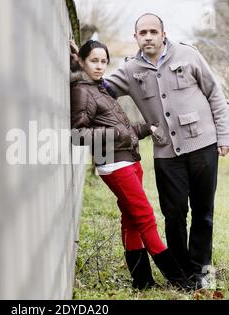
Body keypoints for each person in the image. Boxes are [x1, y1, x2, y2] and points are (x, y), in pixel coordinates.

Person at [101, 13, 229, 288]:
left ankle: (199, 270)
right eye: (142, 32)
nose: (148, 36)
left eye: (153, 31)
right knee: (173, 214)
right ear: (135, 38)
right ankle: (182, 271)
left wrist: (225, 135)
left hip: (203, 146)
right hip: (165, 153)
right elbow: (98, 89)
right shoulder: (129, 70)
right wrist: (78, 62)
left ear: (163, 34)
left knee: (203, 212)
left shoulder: (188, 54)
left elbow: (214, 94)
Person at [70, 39, 195, 290]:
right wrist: (118, 136)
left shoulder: (99, 88)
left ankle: (143, 282)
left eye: (103, 61)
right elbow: (77, 134)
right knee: (146, 218)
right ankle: (179, 280)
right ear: (82, 62)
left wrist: (145, 128)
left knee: (131, 220)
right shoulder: (83, 91)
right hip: (115, 166)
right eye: (93, 61)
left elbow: (118, 127)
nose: (99, 66)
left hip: (127, 161)